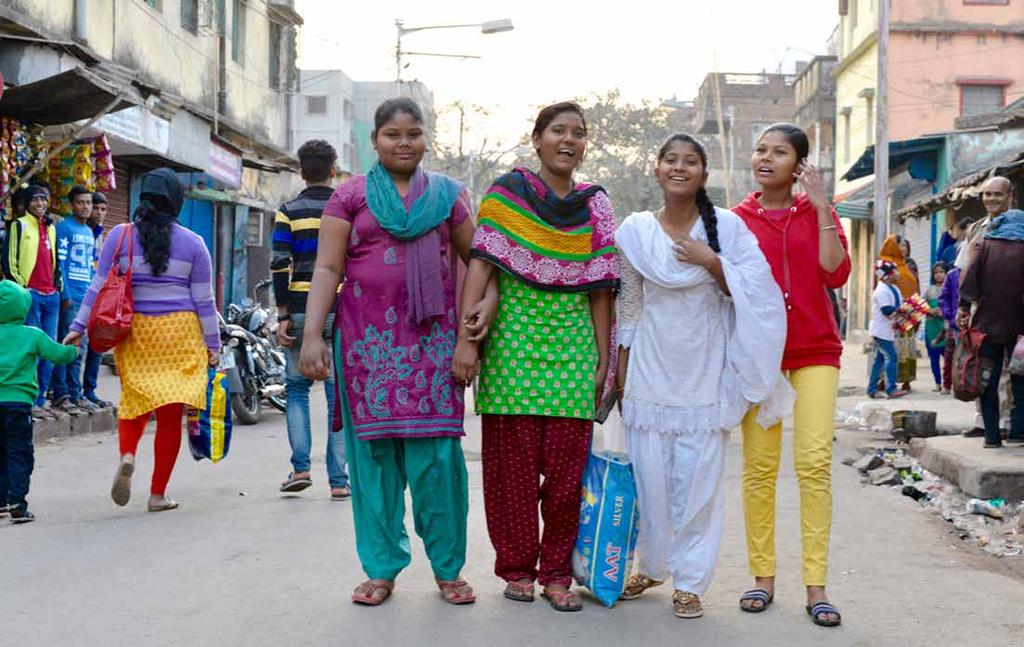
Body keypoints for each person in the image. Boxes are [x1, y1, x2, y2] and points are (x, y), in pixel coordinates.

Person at [300, 98, 495, 607]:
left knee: (437, 462)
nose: (403, 142)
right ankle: (381, 569)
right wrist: (312, 335)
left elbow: (478, 262)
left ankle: (448, 570)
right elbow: (326, 270)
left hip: (434, 347)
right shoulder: (349, 197)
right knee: (375, 460)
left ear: (426, 138)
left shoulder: (449, 196)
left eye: (413, 133)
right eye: (392, 134)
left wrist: (474, 328)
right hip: (367, 347)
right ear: (375, 141)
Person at [613, 134, 788, 619]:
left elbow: (759, 291)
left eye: (690, 162)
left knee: (698, 485)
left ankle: (689, 582)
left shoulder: (727, 230)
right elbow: (629, 304)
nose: (679, 168)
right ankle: (652, 565)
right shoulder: (635, 231)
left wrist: (712, 262)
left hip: (706, 370)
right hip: (650, 365)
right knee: (649, 480)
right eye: (670, 160)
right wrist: (620, 378)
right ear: (657, 170)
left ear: (703, 176)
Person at [454, 101, 619, 613]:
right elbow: (481, 270)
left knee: (568, 480)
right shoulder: (507, 195)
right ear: (537, 138)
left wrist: (602, 361)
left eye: (579, 133)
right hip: (512, 349)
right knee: (513, 475)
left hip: (573, 348)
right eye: (558, 131)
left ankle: (555, 573)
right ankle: (518, 570)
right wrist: (467, 343)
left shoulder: (597, 206)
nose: (569, 140)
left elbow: (601, 290)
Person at [732, 123, 850, 628]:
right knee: (759, 469)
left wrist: (821, 204)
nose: (766, 158)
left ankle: (816, 588)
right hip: (760, 358)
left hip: (815, 353)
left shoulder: (818, 213)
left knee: (814, 465)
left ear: (799, 164)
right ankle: (763, 579)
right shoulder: (735, 220)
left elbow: (835, 272)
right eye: (761, 149)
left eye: (779, 152)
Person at [65, 168, 220, 512]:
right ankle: (157, 494)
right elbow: (204, 302)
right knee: (169, 415)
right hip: (180, 333)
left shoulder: (120, 236)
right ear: (176, 201)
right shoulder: (194, 244)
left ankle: (128, 453)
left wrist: (78, 326)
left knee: (135, 401)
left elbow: (97, 286)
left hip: (137, 332)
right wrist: (213, 345)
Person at [271, 139, 350, 500]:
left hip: (301, 308)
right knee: (337, 395)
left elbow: (279, 265)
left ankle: (301, 468)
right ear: (333, 170)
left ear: (301, 172)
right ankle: (339, 480)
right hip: (340, 308)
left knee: (298, 389)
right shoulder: (347, 207)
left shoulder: (288, 211)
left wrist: (283, 314)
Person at [0, 280, 78, 523]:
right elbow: (57, 354)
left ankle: (1, 500)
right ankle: (17, 503)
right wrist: (74, 348)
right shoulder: (31, 335)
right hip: (19, 404)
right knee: (19, 452)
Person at [957, 209, 1024, 448]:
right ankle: (1017, 433)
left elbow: (967, 280)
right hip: (1020, 329)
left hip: (988, 325)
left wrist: (965, 307)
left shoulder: (986, 245)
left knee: (988, 380)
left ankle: (992, 437)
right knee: (1020, 379)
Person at [0, 183, 63, 418]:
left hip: (51, 296)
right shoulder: (19, 225)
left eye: (44, 200)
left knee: (49, 349)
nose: (40, 204)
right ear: (27, 203)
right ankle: (29, 401)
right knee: (32, 351)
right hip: (31, 295)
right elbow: (8, 260)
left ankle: (41, 398)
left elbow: (56, 260)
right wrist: (23, 290)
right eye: (36, 200)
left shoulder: (51, 227)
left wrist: (58, 286)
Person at [50, 185, 97, 413]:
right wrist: (65, 294)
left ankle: (76, 394)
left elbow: (90, 267)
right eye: (81, 202)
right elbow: (59, 263)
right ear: (72, 205)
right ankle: (61, 394)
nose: (86, 207)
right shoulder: (65, 228)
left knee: (80, 348)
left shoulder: (89, 232)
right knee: (65, 346)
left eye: (88, 203)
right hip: (70, 298)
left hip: (85, 298)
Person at [81, 191, 111, 409]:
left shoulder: (101, 235)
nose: (99, 213)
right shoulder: (79, 231)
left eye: (103, 209)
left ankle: (89, 390)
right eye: (96, 208)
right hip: (80, 296)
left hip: (99, 299)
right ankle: (69, 392)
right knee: (76, 347)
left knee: (96, 345)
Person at [879, 235, 919, 392]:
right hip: (893, 314)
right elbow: (881, 289)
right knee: (890, 347)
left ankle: (906, 379)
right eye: (899, 245)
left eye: (905, 246)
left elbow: (915, 288)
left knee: (906, 347)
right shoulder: (885, 264)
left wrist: (916, 311)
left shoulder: (907, 265)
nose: (903, 249)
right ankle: (885, 380)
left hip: (909, 312)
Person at [867, 260, 906, 399]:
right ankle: (891, 388)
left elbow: (900, 304)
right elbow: (887, 310)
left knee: (879, 361)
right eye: (894, 271)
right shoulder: (881, 291)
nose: (897, 273)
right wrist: (902, 310)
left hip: (888, 330)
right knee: (891, 357)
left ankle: (871, 389)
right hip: (881, 331)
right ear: (887, 276)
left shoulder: (894, 288)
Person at [924, 263, 948, 393]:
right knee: (934, 358)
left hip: (945, 327)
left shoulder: (950, 288)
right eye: (936, 272)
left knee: (948, 358)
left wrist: (944, 312)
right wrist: (931, 310)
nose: (938, 274)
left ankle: (947, 384)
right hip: (932, 327)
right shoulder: (929, 291)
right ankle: (938, 383)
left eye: (941, 271)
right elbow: (921, 307)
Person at [939, 264, 961, 395]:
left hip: (974, 324)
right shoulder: (952, 275)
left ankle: (963, 385)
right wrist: (950, 316)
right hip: (954, 325)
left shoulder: (978, 270)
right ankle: (949, 385)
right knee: (951, 356)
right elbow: (943, 298)